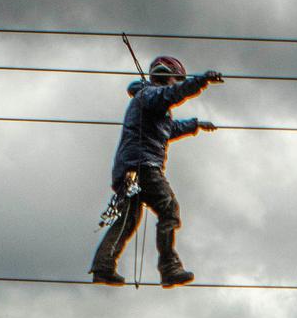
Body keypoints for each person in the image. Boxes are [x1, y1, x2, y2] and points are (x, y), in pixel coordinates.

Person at [89, 54, 222, 286]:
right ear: (165, 77)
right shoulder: (150, 95)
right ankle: (169, 267)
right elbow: (171, 95)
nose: (177, 85)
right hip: (144, 166)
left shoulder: (149, 102)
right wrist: (200, 81)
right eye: (176, 80)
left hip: (129, 170)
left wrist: (196, 124)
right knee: (168, 207)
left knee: (128, 219)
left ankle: (103, 266)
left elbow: (168, 128)